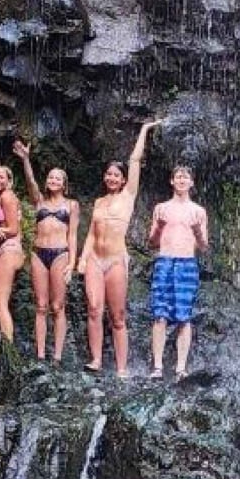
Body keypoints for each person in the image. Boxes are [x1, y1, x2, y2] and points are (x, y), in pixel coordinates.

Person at [79, 119, 161, 378]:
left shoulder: (128, 196)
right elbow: (91, 233)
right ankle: (95, 360)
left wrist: (145, 130)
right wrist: (82, 259)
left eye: (116, 175)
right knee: (93, 308)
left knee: (117, 315)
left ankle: (122, 367)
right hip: (94, 257)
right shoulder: (99, 202)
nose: (111, 178)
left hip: (115, 259)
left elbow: (135, 161)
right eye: (108, 174)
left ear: (123, 179)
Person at [12, 139, 80, 363]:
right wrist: (25, 159)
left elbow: (72, 235)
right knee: (40, 306)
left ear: (64, 183)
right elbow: (31, 182)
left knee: (57, 306)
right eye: (50, 177)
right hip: (39, 253)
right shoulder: (39, 201)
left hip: (60, 253)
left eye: (57, 178)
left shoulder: (71, 205)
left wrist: (72, 263)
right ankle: (40, 354)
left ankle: (58, 355)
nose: (53, 180)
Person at [147, 166, 209, 380]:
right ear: (171, 181)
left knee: (185, 317)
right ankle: (157, 366)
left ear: (192, 183)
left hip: (187, 263)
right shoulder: (161, 208)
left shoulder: (198, 211)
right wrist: (160, 226)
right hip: (164, 261)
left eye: (186, 177)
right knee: (159, 314)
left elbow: (203, 246)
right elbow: (152, 242)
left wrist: (197, 231)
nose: (182, 180)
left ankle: (181, 367)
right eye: (178, 177)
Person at [0, 165, 24, 342]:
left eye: (1, 177)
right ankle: (4, 342)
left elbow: (14, 229)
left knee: (0, 304)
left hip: (10, 248)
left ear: (9, 181)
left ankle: (8, 351)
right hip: (1, 251)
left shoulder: (7, 196)